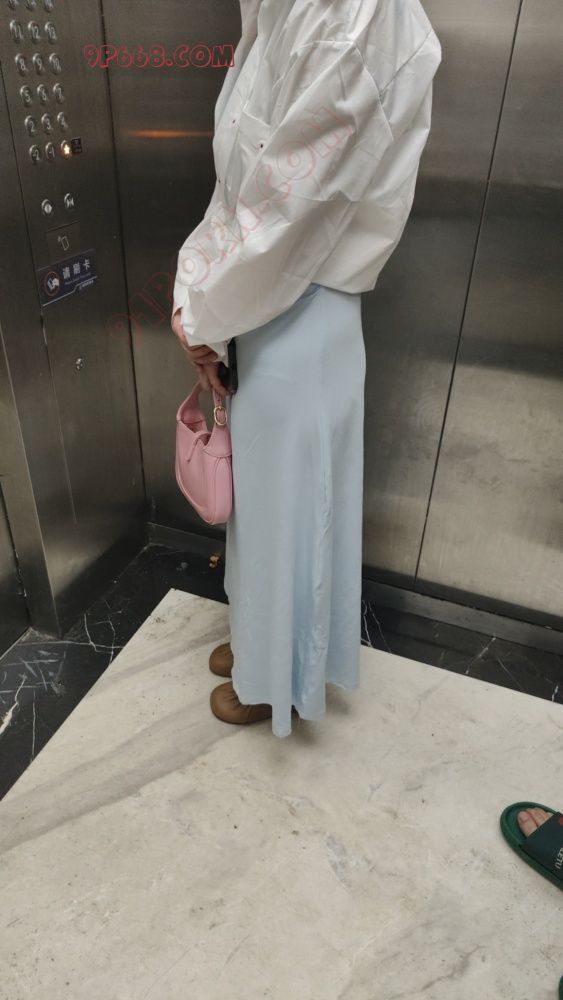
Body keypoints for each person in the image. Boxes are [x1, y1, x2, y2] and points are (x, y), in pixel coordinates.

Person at [171, 0, 442, 738]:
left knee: (293, 505)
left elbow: (293, 204)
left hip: (301, 295)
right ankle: (259, 641)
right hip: (265, 290)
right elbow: (249, 173)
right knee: (264, 499)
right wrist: (203, 298)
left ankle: (277, 680)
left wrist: (204, 309)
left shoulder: (354, 12)